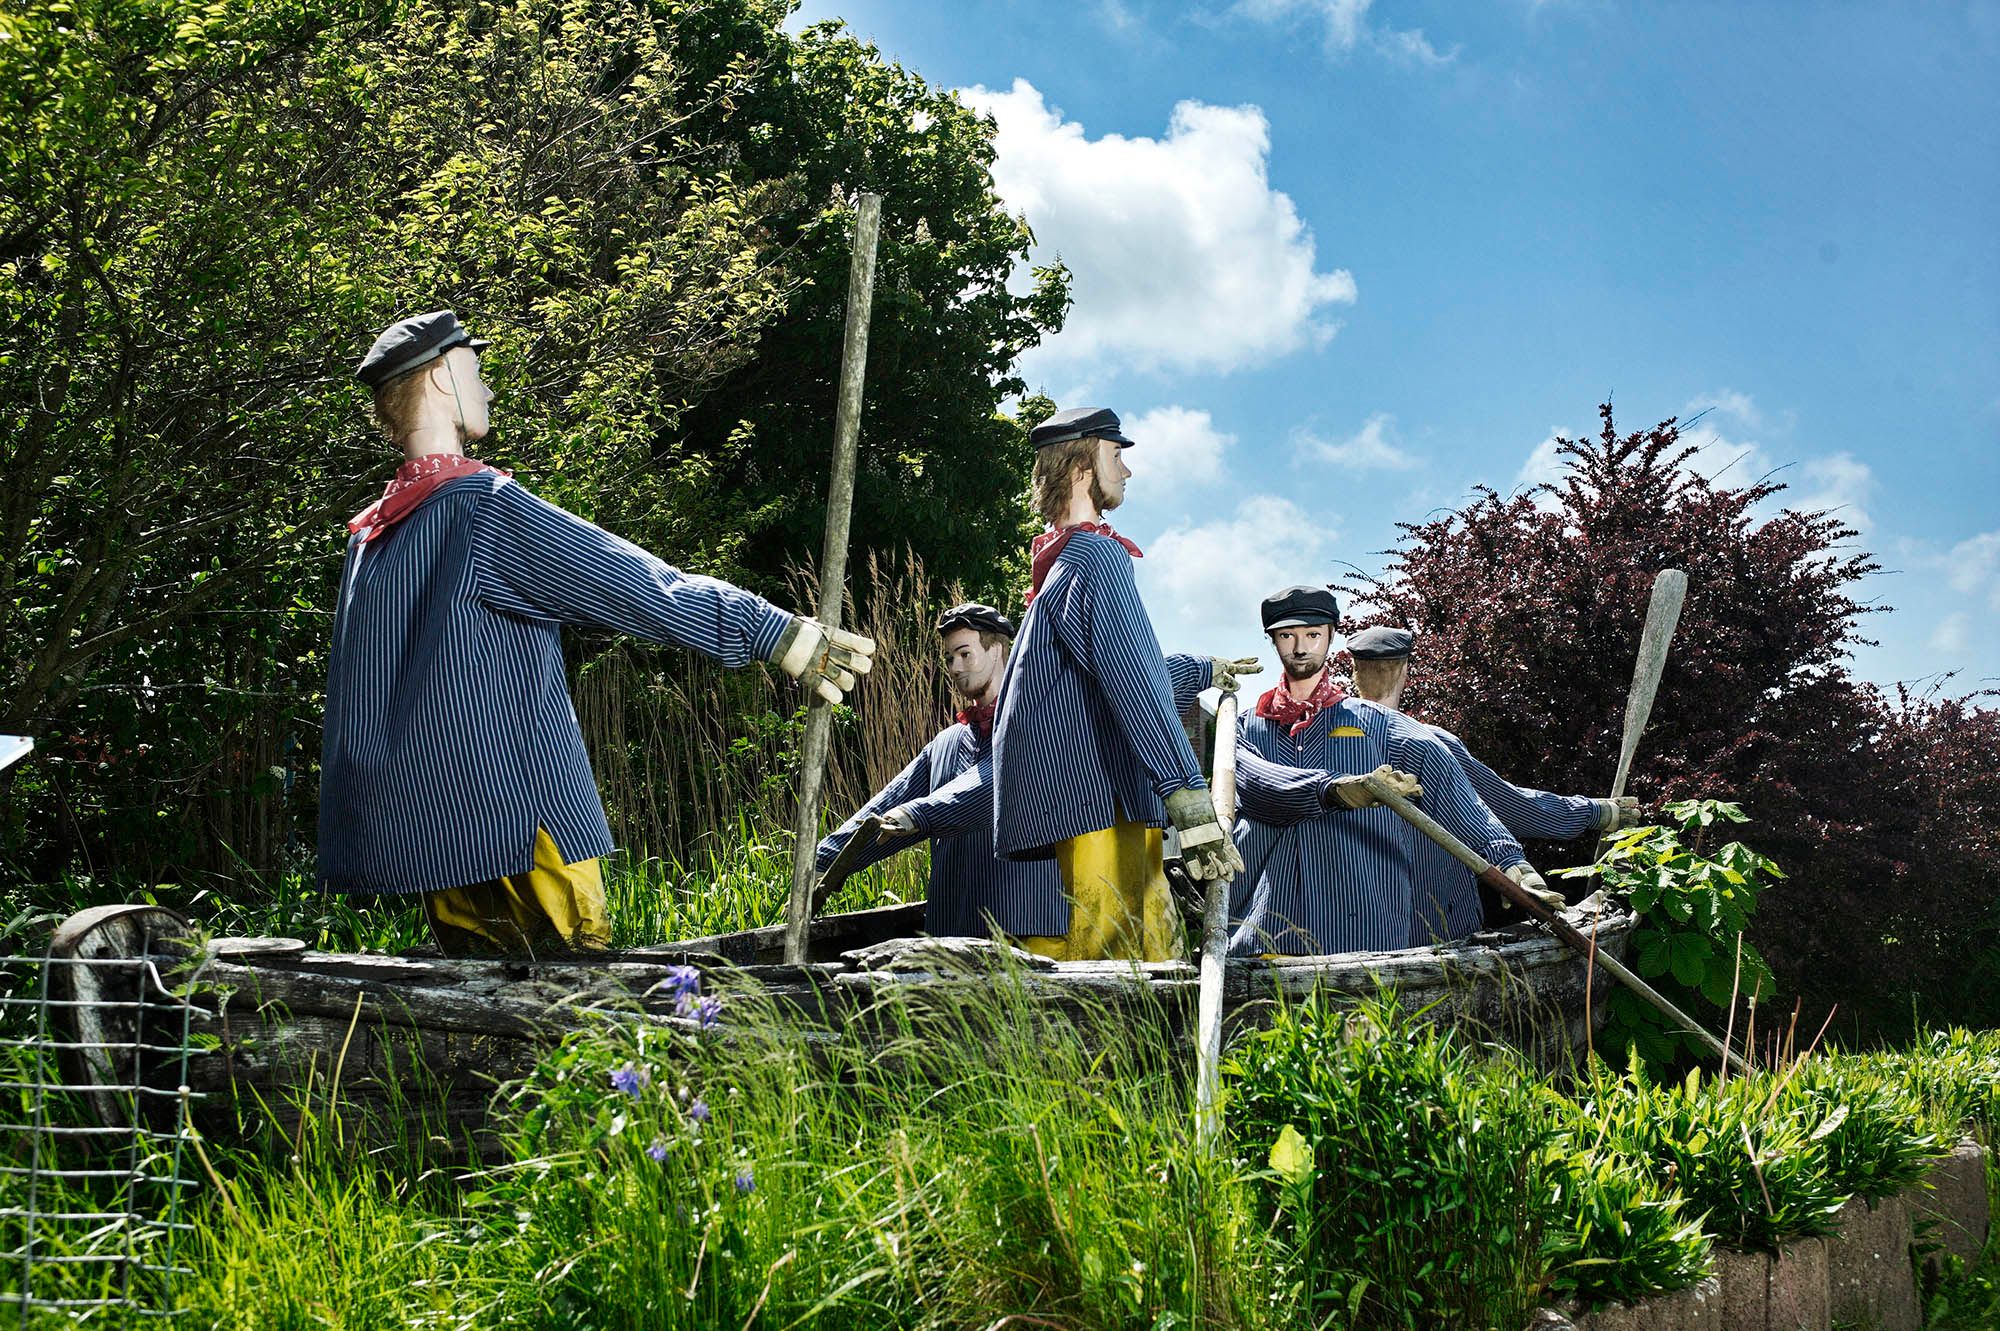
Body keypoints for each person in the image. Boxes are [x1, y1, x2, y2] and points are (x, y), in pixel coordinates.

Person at [320, 310, 875, 957]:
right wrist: (776, 633)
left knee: (478, 1001)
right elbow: (632, 585)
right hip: (518, 822)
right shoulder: (480, 507)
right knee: (576, 995)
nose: (487, 387)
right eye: (475, 369)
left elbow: (361, 707)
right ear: (442, 378)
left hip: (430, 836)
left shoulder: (373, 537)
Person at [990, 407, 1258, 962]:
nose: (1127, 471)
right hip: (1103, 798)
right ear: (1082, 468)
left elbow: (1116, 670)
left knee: (1128, 942)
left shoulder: (1060, 565)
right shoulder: (1098, 556)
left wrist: (1203, 668)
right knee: (1120, 951)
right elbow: (1134, 680)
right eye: (1116, 456)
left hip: (1087, 796)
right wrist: (1187, 793)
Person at [816, 602, 1243, 941]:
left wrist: (1203, 668)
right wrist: (824, 860)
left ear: (998, 650)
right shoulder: (946, 744)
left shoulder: (1042, 723)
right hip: (952, 928)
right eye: (949, 658)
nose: (956, 667)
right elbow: (886, 810)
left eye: (965, 654)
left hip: (1031, 927)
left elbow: (1135, 680)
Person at [1230, 586, 1556, 956]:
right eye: (1287, 636)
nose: (1301, 647)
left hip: (1361, 932)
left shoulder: (1381, 726)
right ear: (1273, 641)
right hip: (1261, 931)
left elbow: (1456, 796)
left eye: (1313, 635)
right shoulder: (1243, 727)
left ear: (1331, 637)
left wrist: (1509, 863)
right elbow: (1257, 784)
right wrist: (1335, 789)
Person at [1342, 625, 1643, 943]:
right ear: (1405, 671)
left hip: (1346, 934)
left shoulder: (1316, 749)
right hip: (1436, 929)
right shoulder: (1430, 743)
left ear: (1354, 673)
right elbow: (1508, 807)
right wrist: (1596, 812)